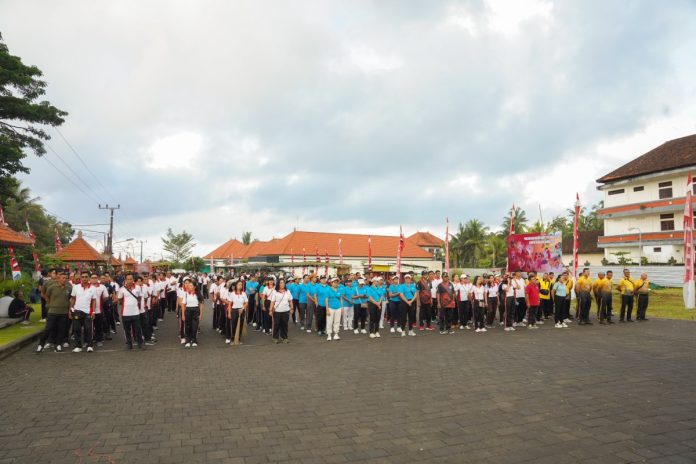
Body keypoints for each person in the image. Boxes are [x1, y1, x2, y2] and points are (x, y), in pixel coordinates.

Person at [118, 273, 144, 350]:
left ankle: (140, 343)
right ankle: (129, 344)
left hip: (135, 312)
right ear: (125, 280)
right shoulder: (122, 289)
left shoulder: (138, 287)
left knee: (138, 329)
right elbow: (119, 300)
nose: (129, 280)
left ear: (133, 280)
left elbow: (139, 297)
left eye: (131, 279)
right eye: (128, 279)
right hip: (125, 313)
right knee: (127, 330)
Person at [269, 278, 294, 344]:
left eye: (283, 282)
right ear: (278, 284)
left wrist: (292, 308)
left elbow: (290, 300)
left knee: (284, 324)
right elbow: (272, 301)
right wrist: (270, 310)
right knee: (276, 324)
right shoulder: (275, 291)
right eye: (280, 283)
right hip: (277, 311)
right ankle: (275, 338)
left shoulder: (287, 291)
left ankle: (284, 337)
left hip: (286, 311)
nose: (282, 284)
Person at [180, 278, 203, 347]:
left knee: (194, 326)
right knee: (187, 326)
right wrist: (183, 315)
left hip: (196, 310)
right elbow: (183, 305)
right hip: (188, 310)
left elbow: (201, 305)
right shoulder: (186, 294)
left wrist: (201, 314)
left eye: (190, 285)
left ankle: (194, 340)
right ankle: (188, 340)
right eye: (188, 285)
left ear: (194, 287)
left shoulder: (198, 295)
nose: (188, 287)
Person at [90, 274, 109, 346]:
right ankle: (89, 340)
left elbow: (106, 297)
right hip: (88, 310)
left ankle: (99, 340)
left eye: (95, 278)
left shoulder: (102, 287)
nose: (94, 279)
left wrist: (100, 302)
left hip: (99, 310)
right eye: (92, 278)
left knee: (98, 326)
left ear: (97, 278)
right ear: (90, 279)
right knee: (89, 326)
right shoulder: (88, 286)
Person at [228, 280, 248, 345]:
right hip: (234, 311)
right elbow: (229, 304)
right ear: (236, 286)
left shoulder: (244, 293)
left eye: (241, 285)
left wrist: (242, 308)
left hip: (242, 311)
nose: (240, 286)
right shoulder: (232, 293)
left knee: (240, 325)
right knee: (233, 325)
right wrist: (229, 313)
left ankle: (238, 339)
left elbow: (246, 302)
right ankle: (233, 339)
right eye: (239, 284)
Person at [325, 277, 343, 341]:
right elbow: (326, 300)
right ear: (331, 283)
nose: (336, 284)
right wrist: (327, 309)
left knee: (337, 321)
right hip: (330, 308)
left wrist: (342, 307)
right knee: (329, 321)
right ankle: (329, 334)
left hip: (338, 307)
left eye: (337, 282)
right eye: (334, 282)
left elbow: (341, 299)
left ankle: (336, 334)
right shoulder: (328, 289)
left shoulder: (339, 290)